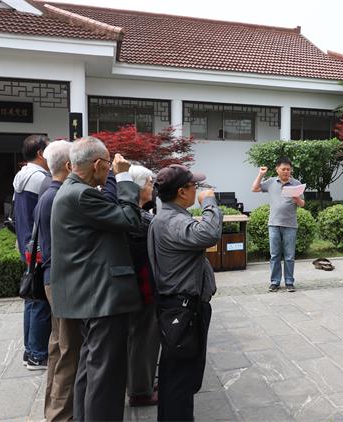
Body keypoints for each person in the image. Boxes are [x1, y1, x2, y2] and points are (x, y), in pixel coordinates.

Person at [50, 137, 142, 421]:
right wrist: (124, 177)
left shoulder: (71, 190)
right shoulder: (82, 195)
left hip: (91, 294)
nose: (110, 169)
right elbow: (130, 219)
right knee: (106, 375)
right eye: (109, 165)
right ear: (99, 164)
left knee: (90, 369)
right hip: (101, 296)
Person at [148, 164, 222, 421]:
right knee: (180, 380)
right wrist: (209, 202)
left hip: (178, 308)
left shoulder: (167, 217)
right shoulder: (173, 220)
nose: (198, 190)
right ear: (182, 191)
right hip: (183, 309)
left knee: (177, 377)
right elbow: (209, 234)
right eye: (195, 186)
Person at [33, 140, 82, 421]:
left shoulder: (47, 193)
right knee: (67, 350)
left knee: (57, 347)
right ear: (68, 165)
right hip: (62, 282)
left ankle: (53, 410)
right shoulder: (58, 197)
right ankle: (61, 415)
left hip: (54, 279)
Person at [12, 134, 52, 370]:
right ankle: (38, 354)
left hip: (26, 244)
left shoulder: (22, 175)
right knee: (40, 302)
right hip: (37, 247)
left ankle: (30, 350)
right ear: (40, 153)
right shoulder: (40, 178)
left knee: (31, 298)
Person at [126, 164, 160, 407]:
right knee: (144, 337)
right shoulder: (139, 218)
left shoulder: (135, 213)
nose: (152, 188)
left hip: (137, 284)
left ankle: (143, 381)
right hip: (142, 285)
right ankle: (140, 390)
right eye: (149, 183)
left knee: (141, 335)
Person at [251, 156, 305, 292]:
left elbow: (302, 204)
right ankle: (275, 282)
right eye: (283, 169)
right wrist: (261, 174)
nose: (286, 171)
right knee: (274, 255)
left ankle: (289, 282)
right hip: (274, 224)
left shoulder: (296, 183)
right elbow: (254, 188)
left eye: (288, 169)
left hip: (290, 225)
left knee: (289, 256)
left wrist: (296, 198)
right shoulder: (271, 182)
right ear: (277, 169)